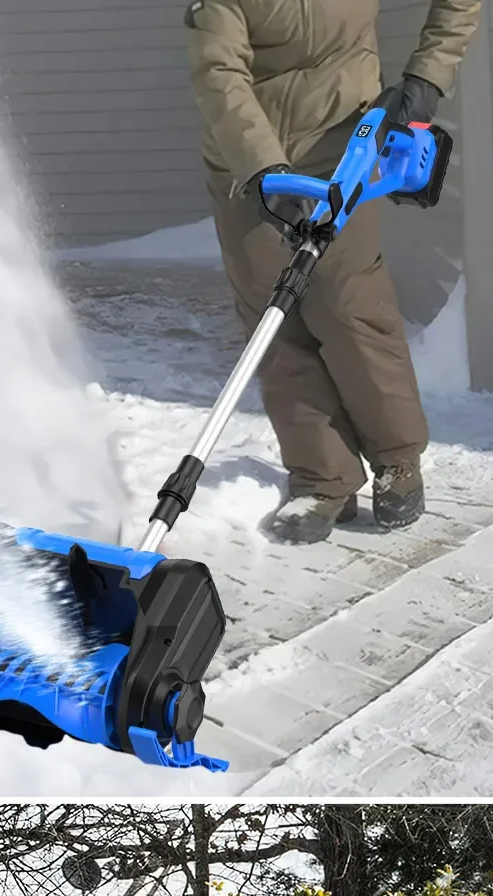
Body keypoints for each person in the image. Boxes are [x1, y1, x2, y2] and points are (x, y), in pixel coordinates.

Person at [186, 0, 484, 543]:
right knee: (274, 320)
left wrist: (428, 75)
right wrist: (262, 168)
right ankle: (322, 478)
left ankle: (397, 458)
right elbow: (218, 68)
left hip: (345, 145)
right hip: (247, 159)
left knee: (349, 304)